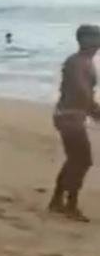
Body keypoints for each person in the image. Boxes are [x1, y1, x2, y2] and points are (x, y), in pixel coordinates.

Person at [48, 24, 100, 222]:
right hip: (69, 116)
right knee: (82, 160)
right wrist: (95, 110)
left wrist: (92, 109)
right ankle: (70, 204)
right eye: (96, 39)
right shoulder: (77, 62)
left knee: (75, 159)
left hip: (72, 115)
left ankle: (56, 200)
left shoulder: (83, 61)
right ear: (86, 41)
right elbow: (81, 91)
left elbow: (84, 92)